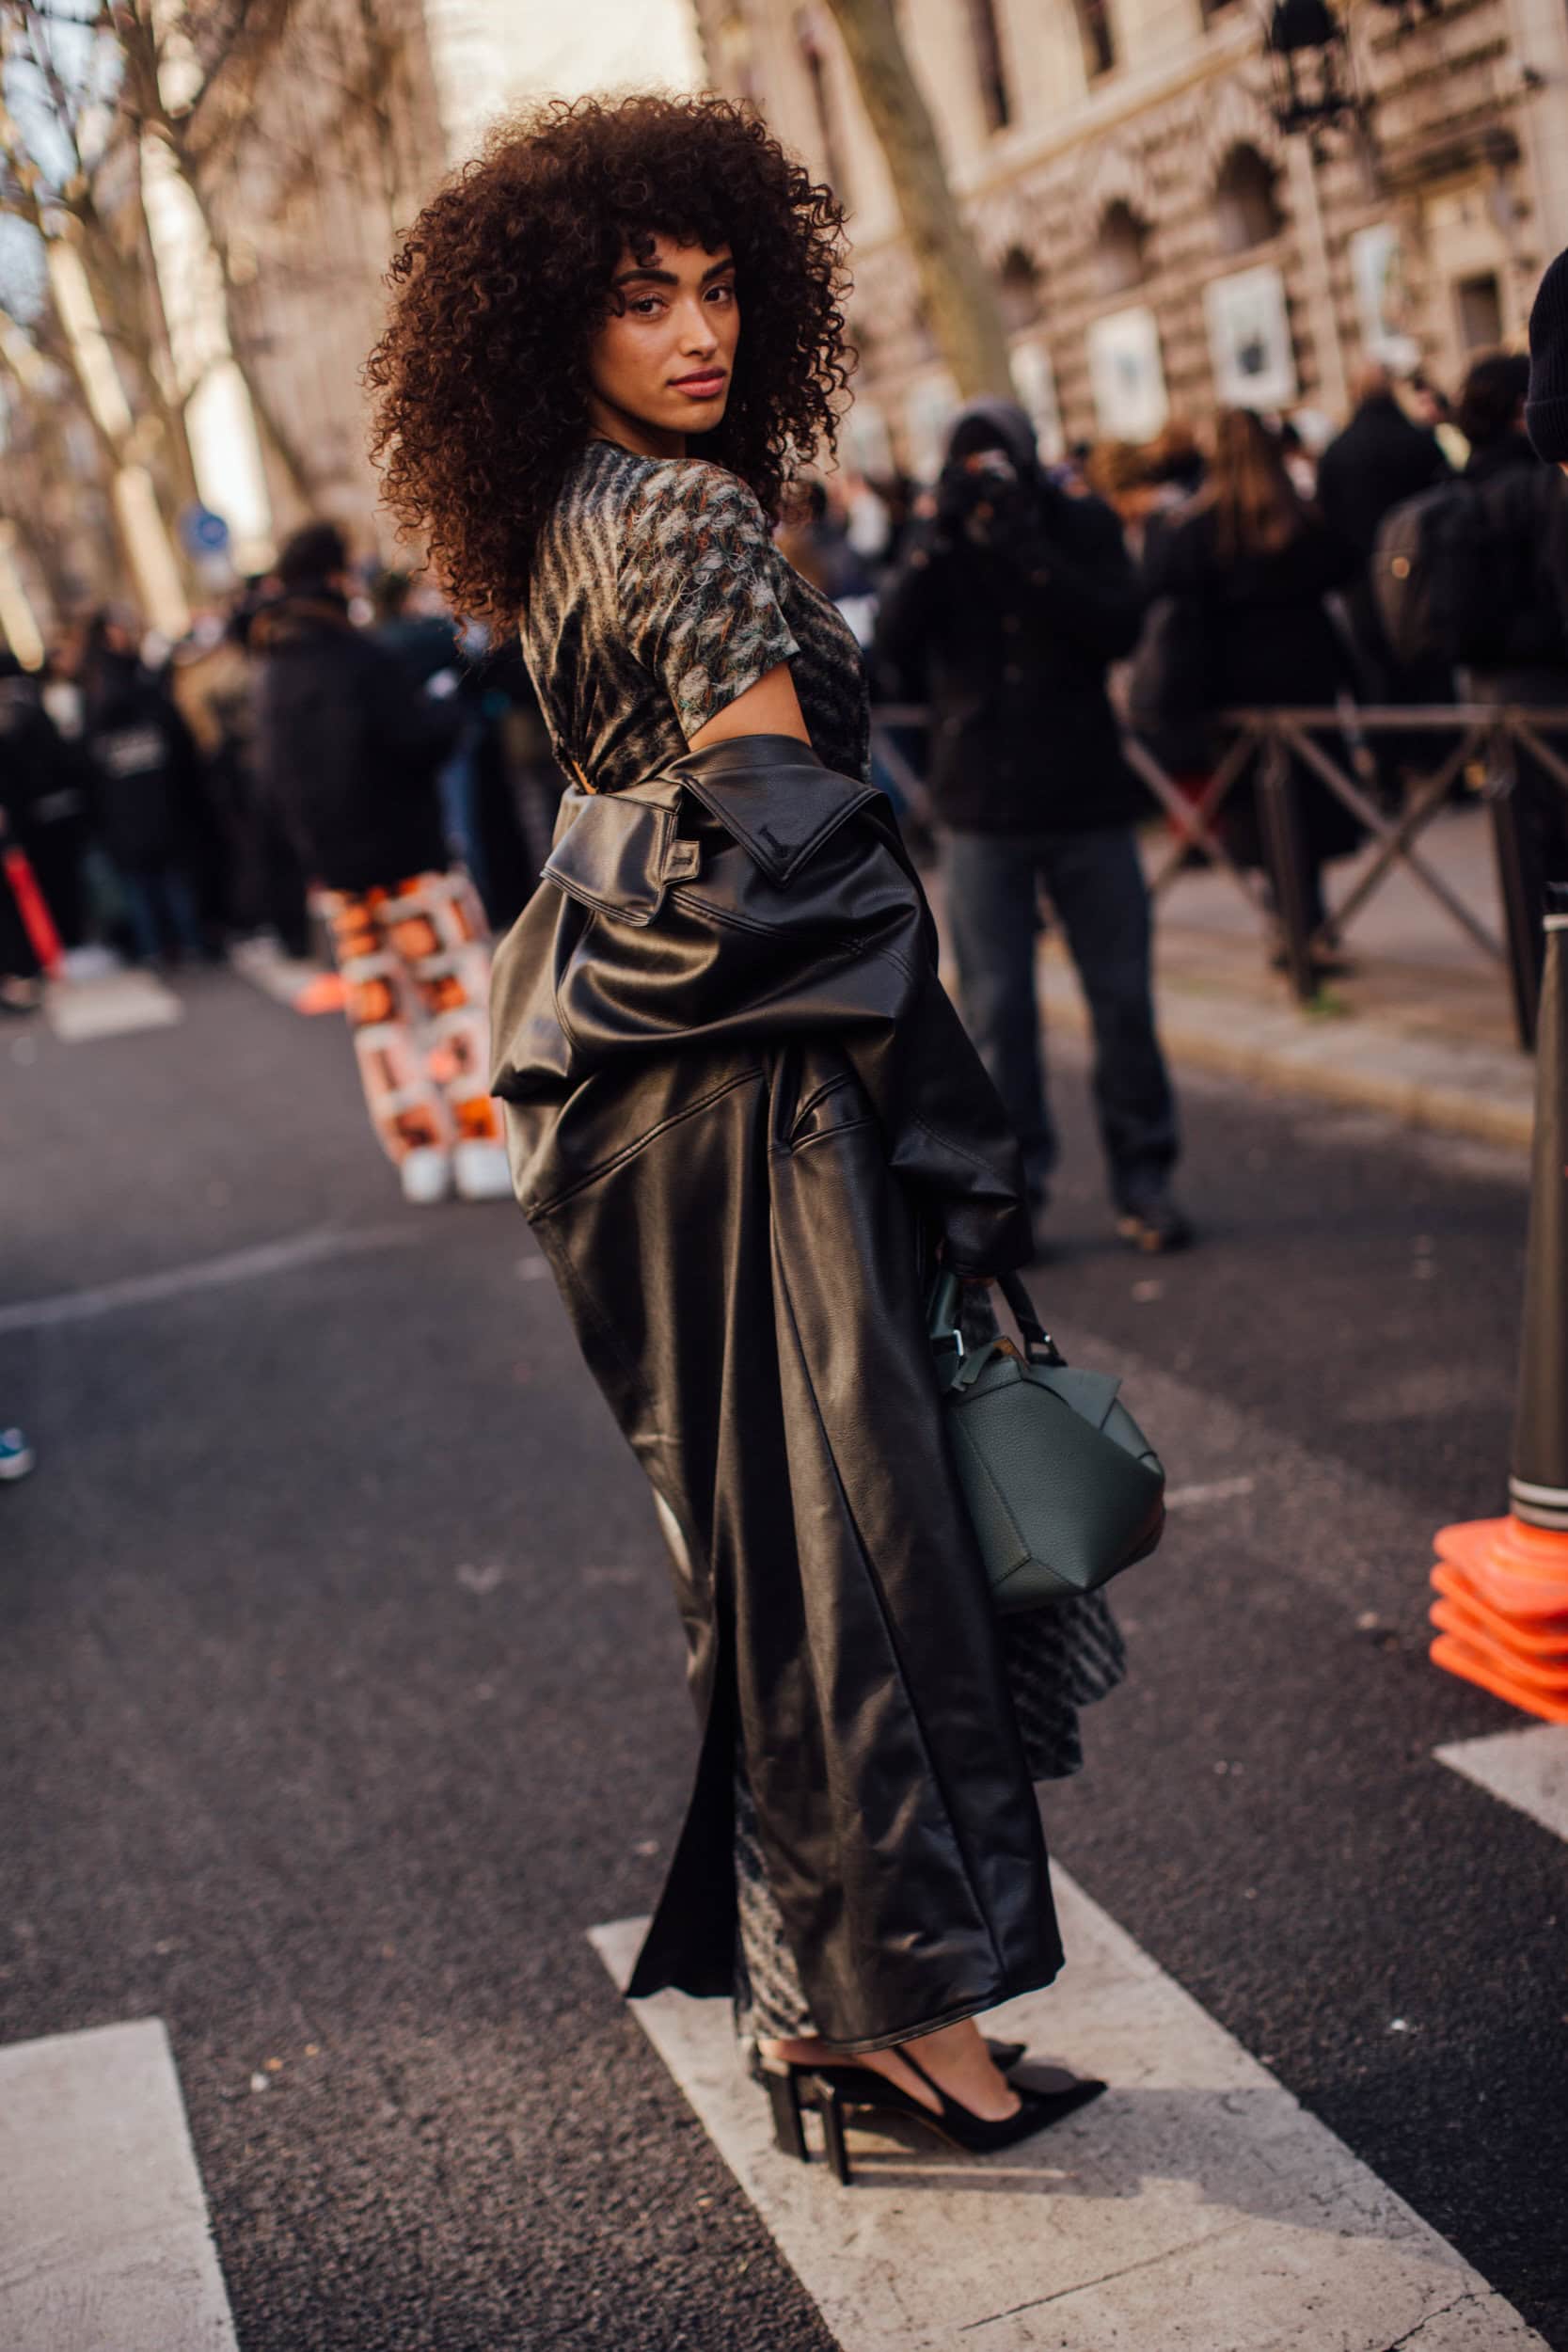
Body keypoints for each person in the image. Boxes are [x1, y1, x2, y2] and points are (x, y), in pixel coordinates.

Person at [367, 91, 1123, 2163]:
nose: (697, 330)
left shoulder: (567, 515)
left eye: (716, 289)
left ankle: (841, 2009)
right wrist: (955, 1136)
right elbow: (798, 847)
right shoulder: (690, 521)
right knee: (861, 1560)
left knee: (775, 1572)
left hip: (644, 1103)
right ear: (555, 319)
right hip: (763, 1087)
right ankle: (889, 2022)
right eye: (644, 298)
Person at [877, 398, 1189, 1253]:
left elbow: (1119, 626)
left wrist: (1030, 551)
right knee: (997, 1013)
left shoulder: (1077, 522)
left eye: (998, 462)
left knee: (1122, 1002)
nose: (986, 480)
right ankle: (1013, 1199)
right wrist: (935, 539)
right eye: (969, 465)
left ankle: (1145, 1181)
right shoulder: (937, 537)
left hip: (1086, 797)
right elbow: (892, 646)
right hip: (981, 806)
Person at [250, 521, 512, 1205]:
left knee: (381, 1021)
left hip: (342, 881)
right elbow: (418, 740)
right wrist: (446, 708)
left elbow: (271, 786)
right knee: (456, 999)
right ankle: (482, 1140)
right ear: (339, 578)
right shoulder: (361, 659)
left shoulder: (273, 674)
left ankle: (419, 1150)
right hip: (412, 861)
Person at [1140, 408, 1364, 971]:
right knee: (1303, 812)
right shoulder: (1298, 518)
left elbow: (1165, 588)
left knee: (1260, 814)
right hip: (1303, 679)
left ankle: (1289, 926)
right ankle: (1307, 924)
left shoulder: (1198, 528)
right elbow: (1343, 564)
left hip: (1235, 690)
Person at [1456, 350, 1568, 996]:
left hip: (1488, 692)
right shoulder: (1540, 487)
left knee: (1522, 863)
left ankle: (1540, 1008)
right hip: (1547, 689)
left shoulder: (1459, 487)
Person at [78, 611, 212, 969]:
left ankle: (158, 947)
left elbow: (86, 767)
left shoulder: (93, 699)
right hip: (155, 802)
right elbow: (179, 745)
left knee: (145, 883)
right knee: (166, 879)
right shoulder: (141, 691)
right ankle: (186, 942)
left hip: (128, 809)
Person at [1317, 364, 1452, 715]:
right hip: (1424, 578)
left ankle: (1393, 746)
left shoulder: (1336, 453)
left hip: (1363, 583)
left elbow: (1327, 520)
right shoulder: (1418, 442)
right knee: (1432, 677)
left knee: (1382, 680)